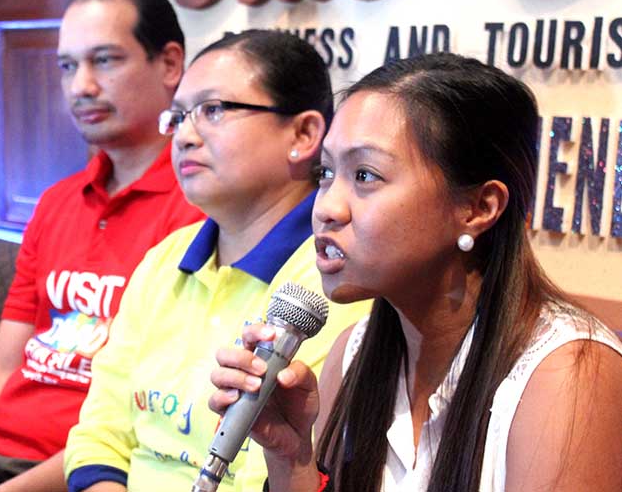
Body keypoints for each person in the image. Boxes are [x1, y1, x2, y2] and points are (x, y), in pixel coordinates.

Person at [209, 52, 622, 492]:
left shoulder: (569, 374)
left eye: (366, 175)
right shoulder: (352, 354)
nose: (325, 208)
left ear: (479, 208)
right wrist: (290, 457)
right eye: (327, 172)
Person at [0, 0, 204, 492]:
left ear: (170, 64)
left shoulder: (200, 211)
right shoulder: (57, 202)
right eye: (68, 66)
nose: (80, 86)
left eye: (104, 60)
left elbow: (146, 418)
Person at [64, 29, 370, 492]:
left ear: (305, 133)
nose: (185, 135)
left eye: (213, 110)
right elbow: (98, 438)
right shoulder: (165, 258)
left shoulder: (337, 277)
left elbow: (274, 473)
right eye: (180, 115)